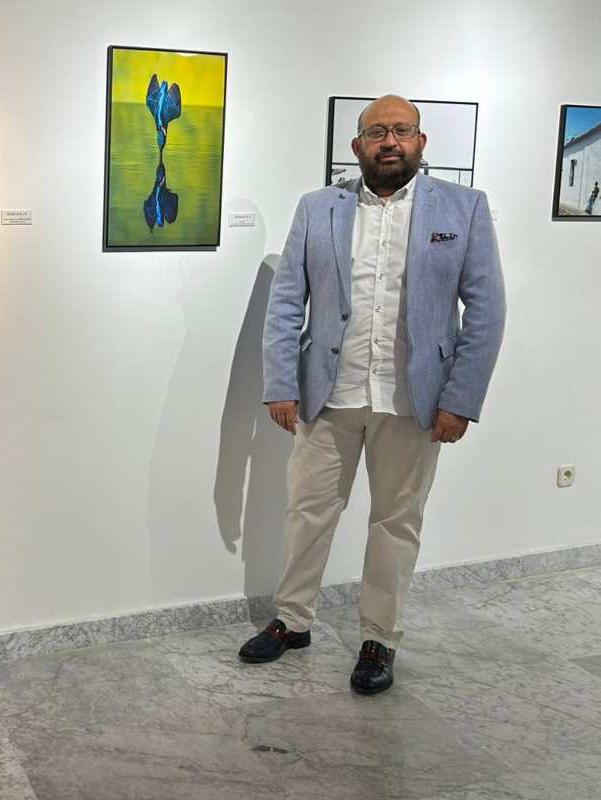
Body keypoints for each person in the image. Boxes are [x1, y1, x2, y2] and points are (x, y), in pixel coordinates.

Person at [238, 95, 505, 695]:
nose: (390, 141)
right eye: (377, 132)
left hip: (414, 400)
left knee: (396, 521)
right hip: (327, 394)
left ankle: (378, 638)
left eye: (401, 131)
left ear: (421, 141)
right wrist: (281, 383)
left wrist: (460, 398)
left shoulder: (464, 209)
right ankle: (292, 619)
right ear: (357, 146)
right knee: (308, 512)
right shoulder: (317, 209)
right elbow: (286, 303)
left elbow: (486, 311)